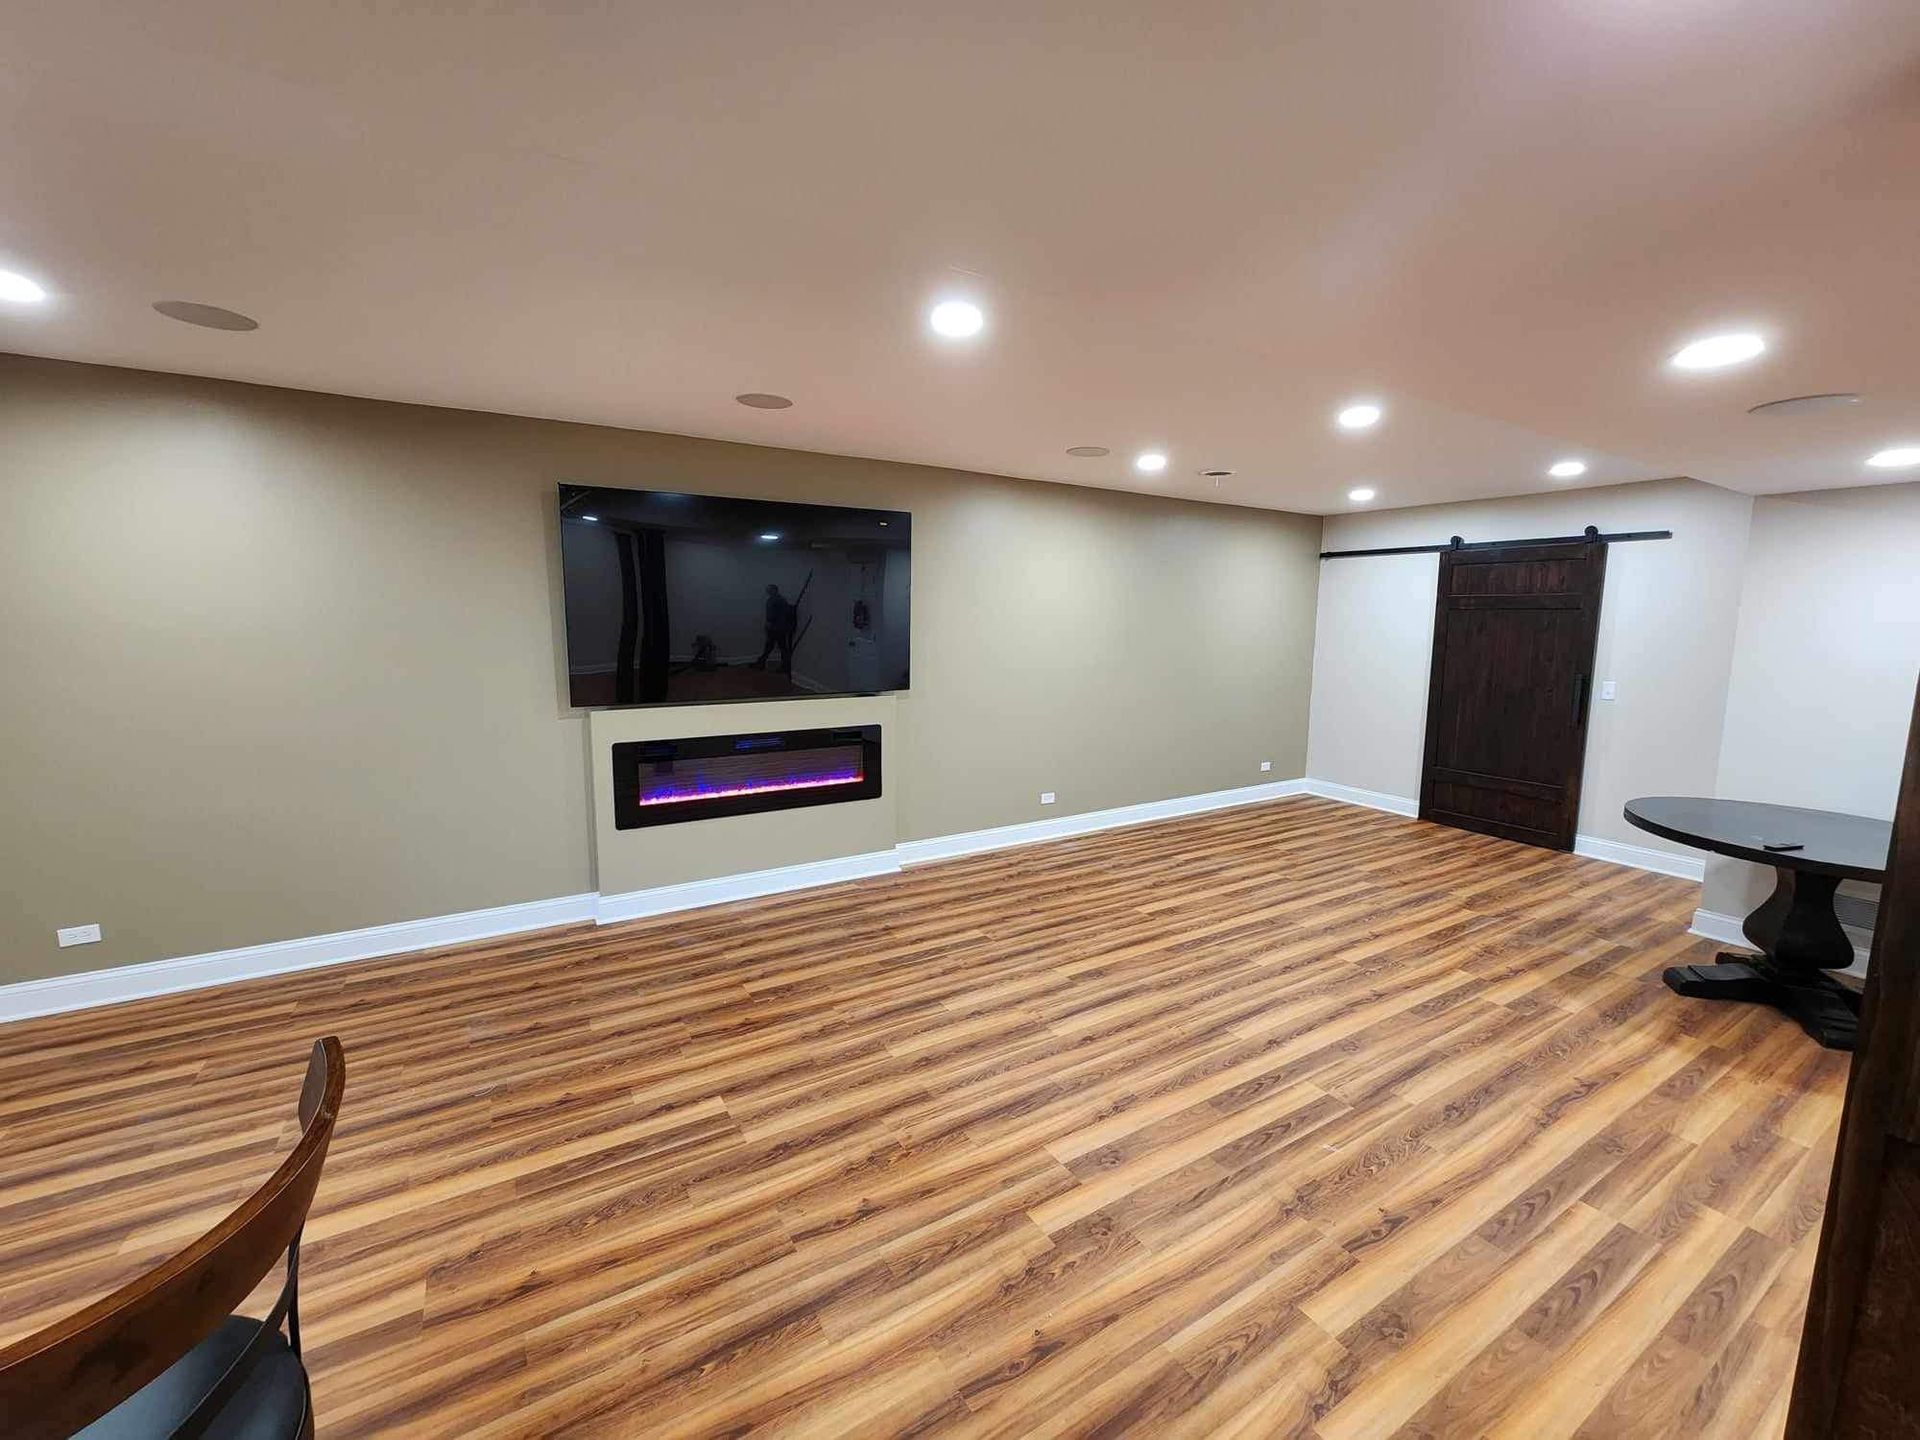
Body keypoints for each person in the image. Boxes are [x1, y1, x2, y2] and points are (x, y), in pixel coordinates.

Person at [754, 583, 797, 675]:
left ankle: (762, 663)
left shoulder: (773, 600)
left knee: (771, 646)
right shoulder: (782, 600)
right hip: (780, 628)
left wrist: (768, 625)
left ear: (774, 590)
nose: (767, 591)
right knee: (781, 647)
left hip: (775, 628)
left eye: (769, 590)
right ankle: (784, 666)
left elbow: (771, 616)